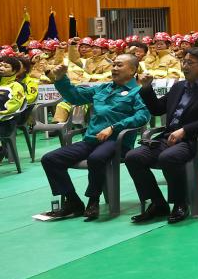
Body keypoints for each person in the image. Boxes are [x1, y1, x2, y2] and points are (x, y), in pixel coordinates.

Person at [40, 55, 150, 221]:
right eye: (113, 65)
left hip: (117, 142)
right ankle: (73, 202)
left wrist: (114, 127)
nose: (114, 68)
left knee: (96, 158)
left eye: (119, 65)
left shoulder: (138, 92)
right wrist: (62, 79)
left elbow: (142, 116)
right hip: (91, 140)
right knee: (50, 159)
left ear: (133, 70)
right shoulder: (102, 88)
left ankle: (93, 200)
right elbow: (74, 96)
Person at [125, 47, 198, 224]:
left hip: (195, 140)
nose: (184, 66)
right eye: (184, 62)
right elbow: (157, 109)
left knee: (168, 157)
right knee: (133, 156)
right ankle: (157, 203)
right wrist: (147, 89)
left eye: (190, 63)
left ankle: (180, 203)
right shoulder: (179, 86)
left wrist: (185, 130)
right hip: (168, 138)